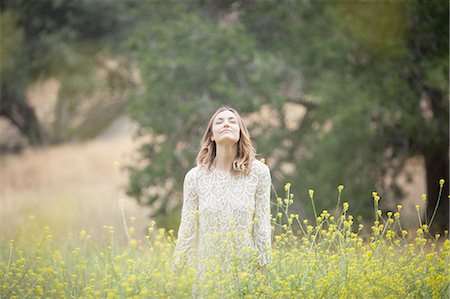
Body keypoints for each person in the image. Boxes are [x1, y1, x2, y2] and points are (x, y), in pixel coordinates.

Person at [171, 106, 272, 294]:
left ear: (241, 132)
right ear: (211, 135)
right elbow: (187, 231)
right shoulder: (194, 177)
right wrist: (174, 279)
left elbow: (262, 228)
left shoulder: (259, 173)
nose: (226, 123)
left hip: (245, 275)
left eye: (232, 121)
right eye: (219, 121)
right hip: (208, 277)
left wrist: (265, 277)